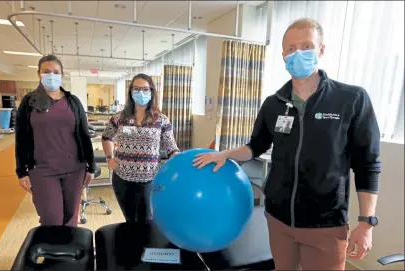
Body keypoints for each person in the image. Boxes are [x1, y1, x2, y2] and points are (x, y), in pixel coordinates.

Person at [194, 18, 380, 270]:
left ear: (321, 50)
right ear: (283, 55)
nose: (298, 54)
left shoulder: (351, 99)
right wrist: (225, 153)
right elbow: (255, 147)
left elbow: (367, 164)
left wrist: (366, 222)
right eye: (291, 49)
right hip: (278, 219)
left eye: (306, 46)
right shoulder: (274, 103)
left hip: (325, 224)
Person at [15, 54, 97, 226]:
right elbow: (21, 138)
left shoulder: (72, 102)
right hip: (43, 170)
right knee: (51, 219)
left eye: (55, 72)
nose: (51, 75)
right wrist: (22, 171)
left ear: (61, 75)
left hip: (74, 169)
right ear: (39, 74)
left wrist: (91, 166)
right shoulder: (29, 102)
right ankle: (52, 253)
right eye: (46, 71)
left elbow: (83, 135)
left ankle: (68, 253)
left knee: (70, 219)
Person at [102, 73, 180, 222]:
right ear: (131, 92)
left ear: (151, 92)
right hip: (122, 179)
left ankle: (143, 246)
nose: (141, 93)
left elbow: (171, 147)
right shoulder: (119, 118)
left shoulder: (161, 120)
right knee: (130, 221)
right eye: (136, 89)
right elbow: (106, 137)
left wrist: (179, 159)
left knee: (147, 221)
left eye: (145, 89)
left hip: (149, 180)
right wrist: (109, 158)